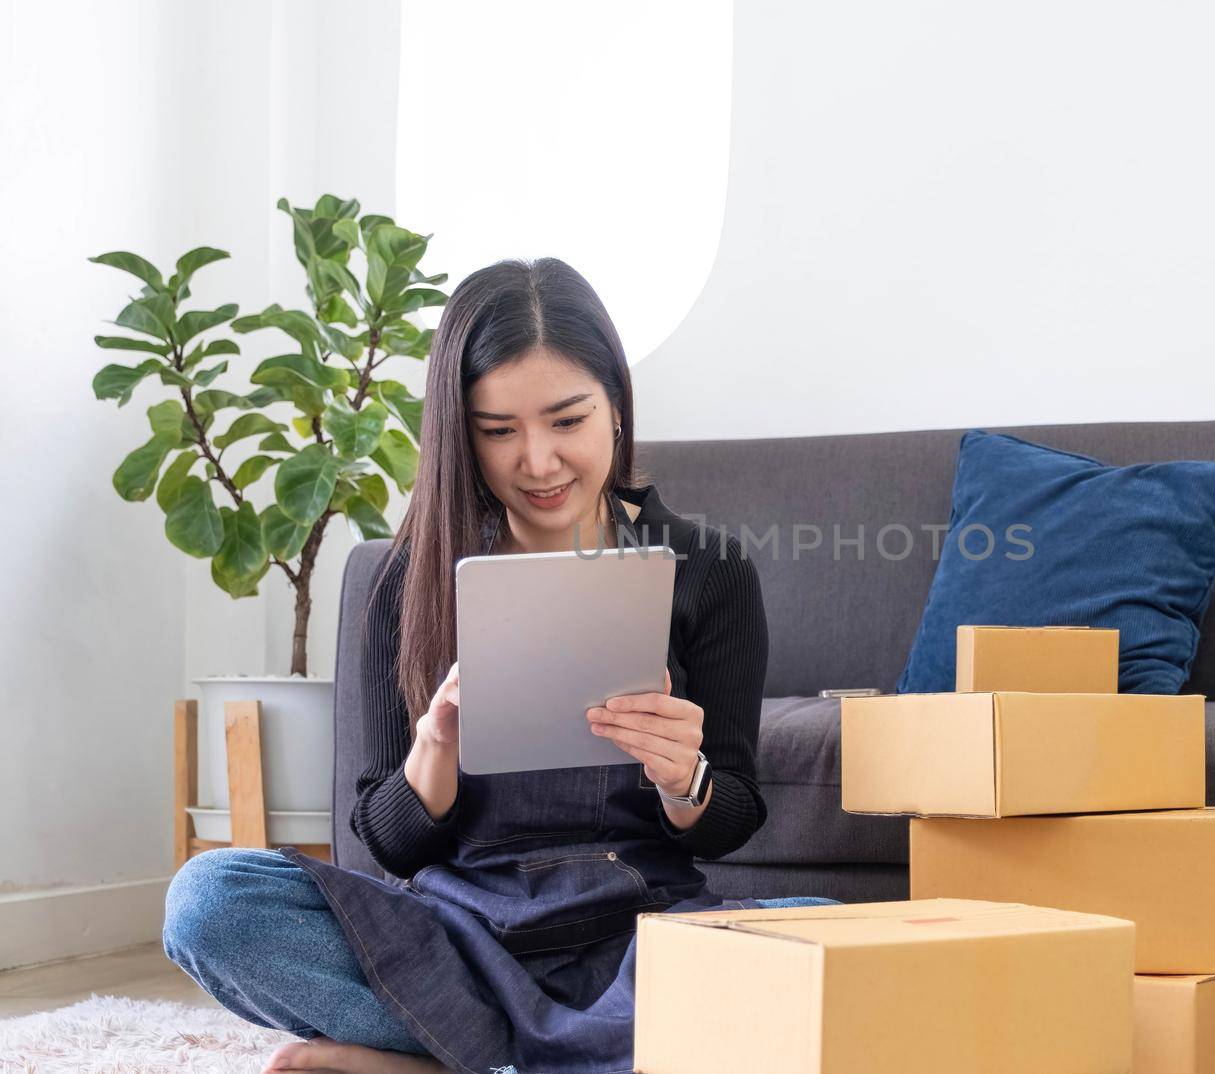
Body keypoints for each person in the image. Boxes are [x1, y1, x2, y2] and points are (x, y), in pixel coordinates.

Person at [162, 258, 839, 1074]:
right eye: (499, 431)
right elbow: (383, 847)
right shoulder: (398, 581)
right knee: (210, 904)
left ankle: (453, 1062)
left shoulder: (708, 569)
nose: (540, 461)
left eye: (566, 420)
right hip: (455, 946)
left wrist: (685, 778)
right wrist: (434, 751)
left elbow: (733, 818)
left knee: (831, 939)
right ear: (460, 431)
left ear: (615, 408)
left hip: (639, 938)